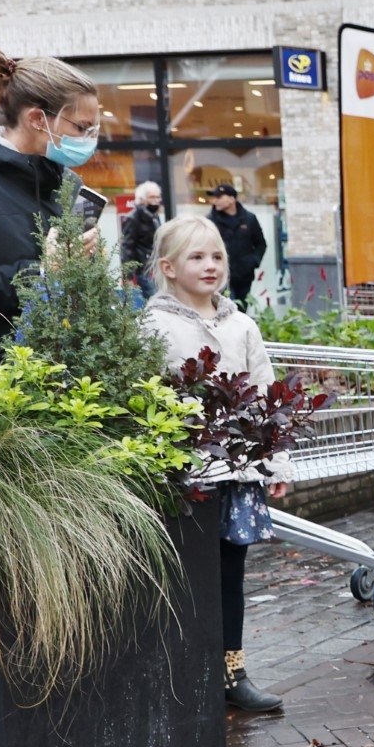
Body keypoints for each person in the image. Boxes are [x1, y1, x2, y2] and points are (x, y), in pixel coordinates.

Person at [139, 217, 291, 712]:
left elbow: (268, 395)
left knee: (230, 576)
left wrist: (277, 463)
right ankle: (184, 672)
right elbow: (145, 400)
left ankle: (232, 672)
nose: (210, 266)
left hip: (238, 474)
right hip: (185, 479)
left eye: (217, 256)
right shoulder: (154, 326)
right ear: (168, 267)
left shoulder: (242, 325)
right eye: (196, 257)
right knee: (186, 576)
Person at [0, 48, 99, 372]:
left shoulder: (67, 181)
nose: (89, 139)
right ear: (35, 119)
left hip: (65, 377)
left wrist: (83, 262)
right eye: (82, 127)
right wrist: (41, 274)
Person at [206, 183, 267, 310]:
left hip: (245, 275)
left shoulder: (249, 219)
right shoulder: (210, 221)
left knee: (242, 310)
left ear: (232, 199)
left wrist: (253, 261)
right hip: (222, 275)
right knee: (228, 309)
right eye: (214, 197)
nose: (214, 201)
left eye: (219, 197)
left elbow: (261, 244)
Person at [121, 180, 163, 298]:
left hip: (157, 266)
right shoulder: (133, 218)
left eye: (158, 197)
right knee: (154, 300)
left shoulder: (154, 216)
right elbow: (127, 247)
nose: (155, 200)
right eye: (151, 197)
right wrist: (128, 276)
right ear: (142, 199)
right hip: (145, 268)